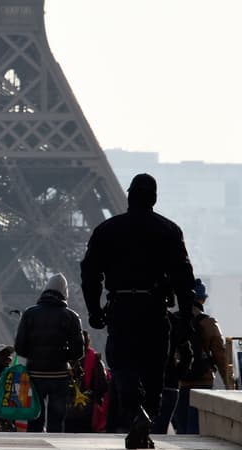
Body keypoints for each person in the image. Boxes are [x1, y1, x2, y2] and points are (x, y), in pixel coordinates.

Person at [81, 173, 196, 449]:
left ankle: (137, 412)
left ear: (130, 195)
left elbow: (90, 274)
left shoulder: (107, 230)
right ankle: (146, 418)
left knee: (122, 364)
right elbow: (184, 279)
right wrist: (187, 318)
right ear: (154, 198)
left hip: (122, 308)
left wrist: (94, 310)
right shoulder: (169, 230)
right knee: (155, 369)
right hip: (155, 309)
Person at [15, 273, 84, 433]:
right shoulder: (72, 317)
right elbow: (78, 351)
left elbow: (19, 347)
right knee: (56, 422)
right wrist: (62, 356)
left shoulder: (29, 314)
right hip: (59, 375)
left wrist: (34, 355)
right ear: (64, 293)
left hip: (34, 373)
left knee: (34, 418)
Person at [174, 278, 226, 434]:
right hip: (204, 382)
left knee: (182, 431)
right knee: (198, 430)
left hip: (180, 383)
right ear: (203, 300)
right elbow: (220, 355)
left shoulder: (173, 320)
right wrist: (228, 382)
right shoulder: (209, 323)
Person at [65, 331, 109, 433]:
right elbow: (102, 386)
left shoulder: (64, 359)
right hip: (87, 411)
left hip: (66, 409)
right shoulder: (95, 359)